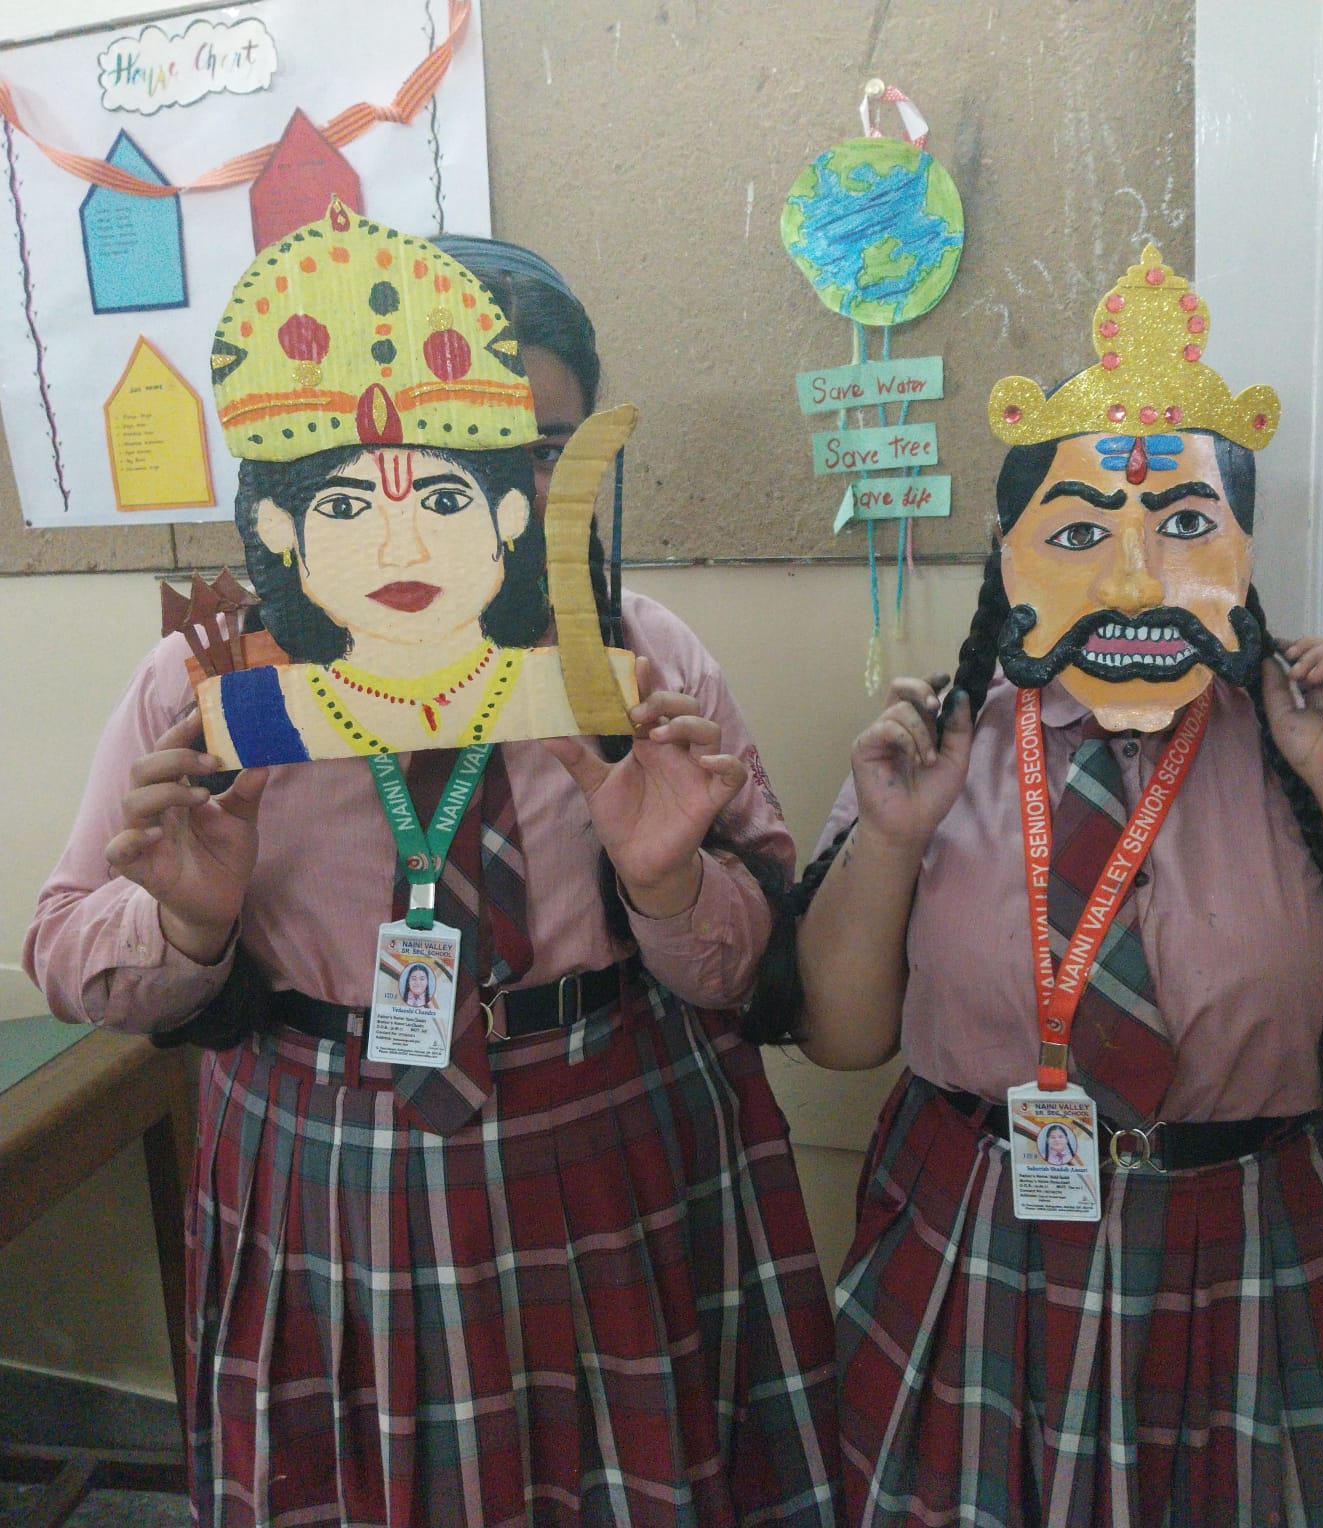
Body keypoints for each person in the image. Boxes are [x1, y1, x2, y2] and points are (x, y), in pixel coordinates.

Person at [26, 227, 839, 1527]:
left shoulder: (635, 659)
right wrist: (185, 923)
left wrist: (669, 886)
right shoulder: (217, 682)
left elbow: (758, 968)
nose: (508, 485)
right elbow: (70, 954)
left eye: (543, 448)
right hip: (322, 1158)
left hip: (607, 1130)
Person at [754, 247, 1323, 1524]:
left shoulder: (1313, 751)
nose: (1128, 578)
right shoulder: (943, 746)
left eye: (1181, 527)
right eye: (1076, 534)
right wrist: (889, 836)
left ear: (1240, 550)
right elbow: (838, 1040)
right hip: (979, 1254)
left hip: (1258, 1264)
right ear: (1009, 560)